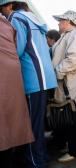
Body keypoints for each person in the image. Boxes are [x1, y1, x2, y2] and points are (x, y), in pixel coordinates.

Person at [0, 1, 57, 167]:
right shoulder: (32, 18)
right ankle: (41, 156)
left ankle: (35, 161)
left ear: (10, 6)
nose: (3, 14)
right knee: (38, 122)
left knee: (32, 125)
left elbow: (15, 49)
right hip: (44, 78)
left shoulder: (17, 17)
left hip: (33, 78)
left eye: (2, 10)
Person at [52, 10, 76, 162]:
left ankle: (75, 152)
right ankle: (68, 146)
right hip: (68, 83)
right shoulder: (67, 35)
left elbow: (75, 57)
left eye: (61, 20)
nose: (58, 23)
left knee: (71, 117)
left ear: (68, 21)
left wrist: (58, 71)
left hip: (72, 84)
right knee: (68, 116)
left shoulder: (75, 35)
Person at [0, 13, 34, 168]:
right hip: (13, 74)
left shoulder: (13, 21)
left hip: (6, 73)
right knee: (13, 119)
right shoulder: (8, 24)